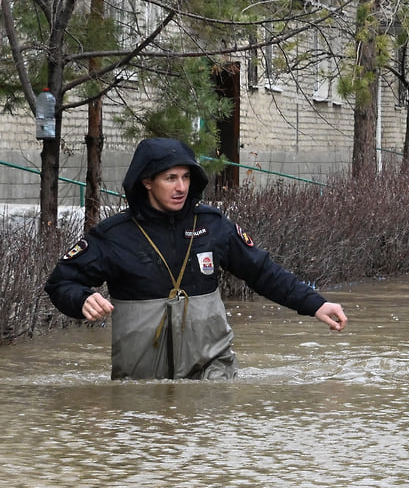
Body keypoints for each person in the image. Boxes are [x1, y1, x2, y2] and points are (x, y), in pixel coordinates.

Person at [44, 137, 348, 380]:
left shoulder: (214, 225)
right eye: (170, 178)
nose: (181, 187)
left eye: (186, 177)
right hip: (141, 379)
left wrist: (315, 303)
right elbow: (60, 283)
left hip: (212, 367)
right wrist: (82, 299)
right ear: (147, 182)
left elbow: (262, 271)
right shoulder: (114, 236)